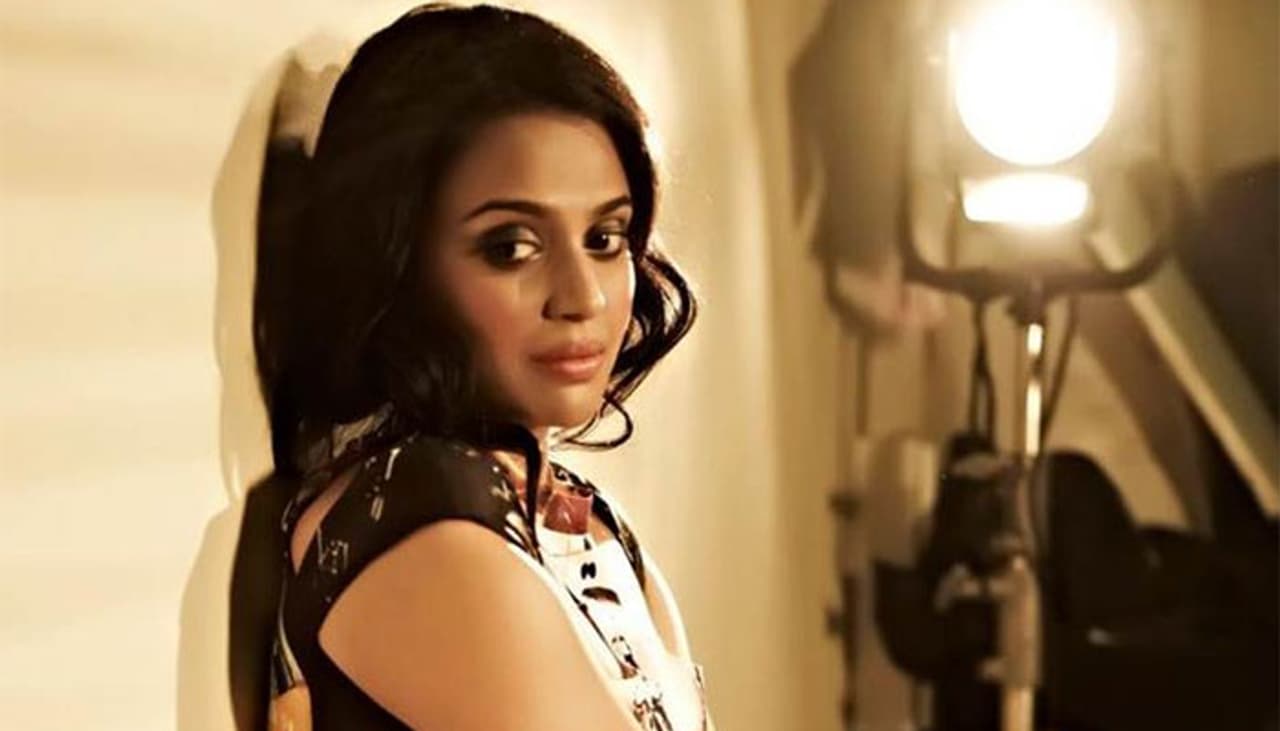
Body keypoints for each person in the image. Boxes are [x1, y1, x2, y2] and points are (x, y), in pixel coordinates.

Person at [227, 3, 711, 729]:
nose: (583, 297)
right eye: (510, 247)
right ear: (396, 260)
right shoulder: (424, 529)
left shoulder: (579, 516)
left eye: (605, 238)